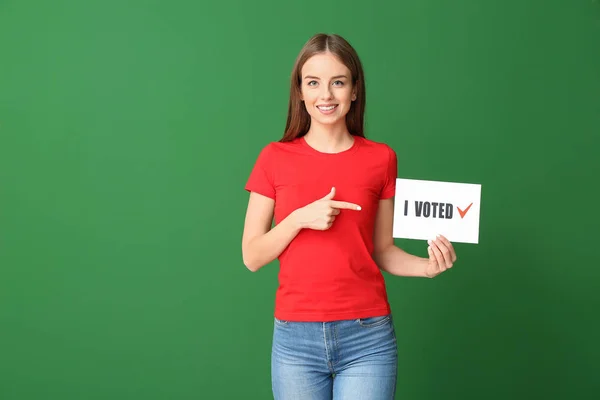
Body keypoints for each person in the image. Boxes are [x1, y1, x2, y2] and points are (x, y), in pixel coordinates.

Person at [241, 33, 457, 400]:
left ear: (354, 90)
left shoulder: (381, 159)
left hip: (367, 338)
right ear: (300, 92)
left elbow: (383, 250)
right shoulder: (273, 158)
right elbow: (252, 256)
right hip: (296, 340)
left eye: (337, 82)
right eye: (313, 83)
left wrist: (427, 266)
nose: (325, 95)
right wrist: (298, 219)